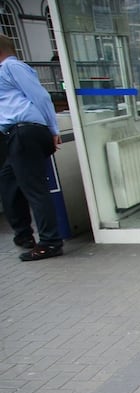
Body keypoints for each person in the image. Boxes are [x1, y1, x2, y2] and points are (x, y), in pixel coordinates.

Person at [0, 35, 63, 261]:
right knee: (8, 181)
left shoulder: (12, 66)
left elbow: (41, 96)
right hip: (16, 133)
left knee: (34, 188)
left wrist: (54, 129)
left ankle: (50, 242)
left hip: (25, 132)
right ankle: (23, 234)